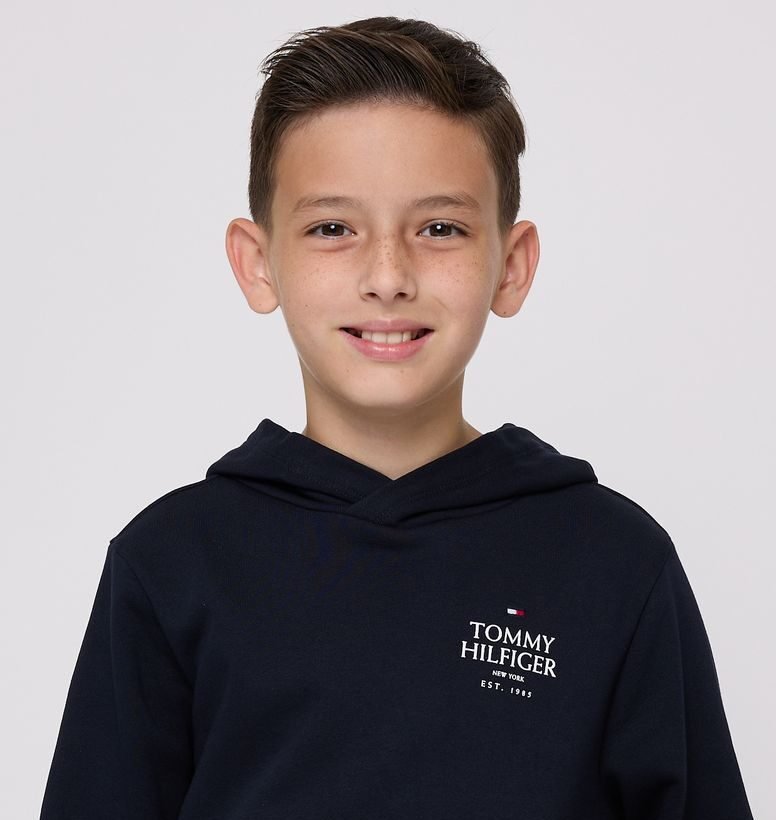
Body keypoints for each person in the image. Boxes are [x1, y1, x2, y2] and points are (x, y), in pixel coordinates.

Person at [39, 16, 754, 820]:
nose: (388, 276)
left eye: (440, 228)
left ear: (511, 267)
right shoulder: (170, 564)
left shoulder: (617, 563)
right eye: (333, 228)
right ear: (258, 262)